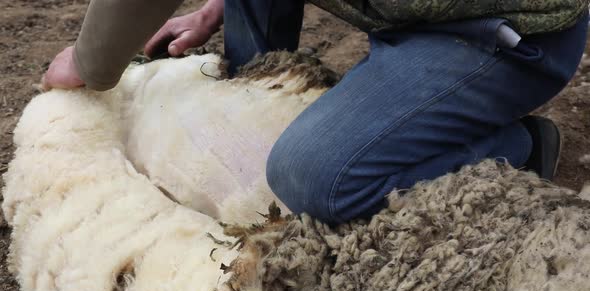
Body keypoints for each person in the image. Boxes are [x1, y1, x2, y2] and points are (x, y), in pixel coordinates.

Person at [43, 0, 589, 225]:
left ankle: (518, 148)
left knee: (314, 178)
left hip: (503, 33)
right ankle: (261, 95)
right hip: (415, 12)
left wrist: (93, 63)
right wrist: (218, 6)